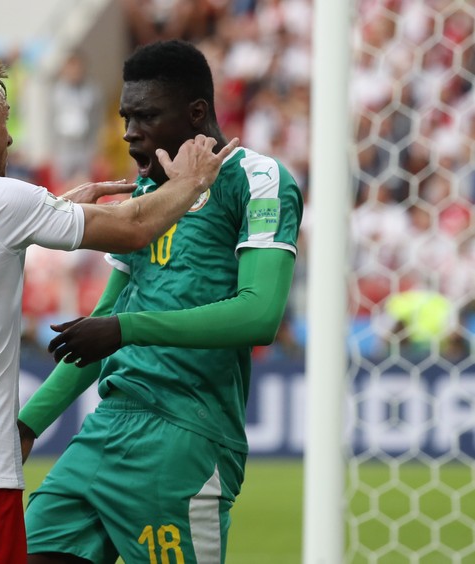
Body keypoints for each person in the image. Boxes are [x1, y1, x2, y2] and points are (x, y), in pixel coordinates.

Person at [0, 54, 238, 564]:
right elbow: (135, 227)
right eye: (6, 124)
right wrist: (191, 183)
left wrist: (55, 208)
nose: (10, 140)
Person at [18, 39, 304, 564]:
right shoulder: (146, 197)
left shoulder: (258, 179)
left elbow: (260, 314)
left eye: (146, 115)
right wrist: (27, 424)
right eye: (126, 116)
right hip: (106, 427)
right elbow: (105, 319)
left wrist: (127, 330)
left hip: (186, 436)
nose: (130, 131)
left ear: (196, 112)